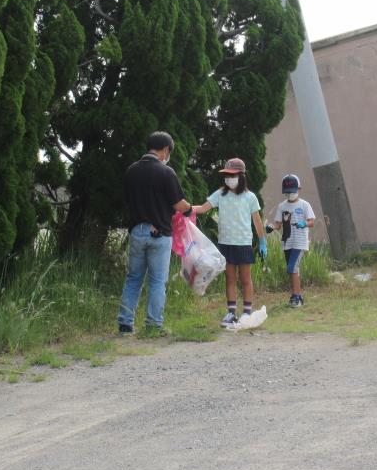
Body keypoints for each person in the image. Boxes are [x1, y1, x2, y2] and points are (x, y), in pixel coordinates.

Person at [118, 132, 192, 335]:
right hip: (160, 234)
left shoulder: (131, 171)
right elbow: (179, 204)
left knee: (133, 278)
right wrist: (190, 209)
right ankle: (153, 325)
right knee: (158, 281)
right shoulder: (166, 172)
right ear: (166, 149)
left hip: (136, 231)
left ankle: (125, 324)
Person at [193, 158, 267, 327]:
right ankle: (231, 313)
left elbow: (257, 221)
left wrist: (262, 241)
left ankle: (246, 312)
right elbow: (204, 208)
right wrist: (185, 209)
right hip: (225, 243)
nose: (229, 178)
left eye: (232, 175)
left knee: (246, 279)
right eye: (226, 175)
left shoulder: (250, 197)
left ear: (241, 176)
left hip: (243, 244)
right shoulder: (220, 194)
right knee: (230, 279)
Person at [272, 174, 316, 307]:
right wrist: (270, 227)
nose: (290, 194)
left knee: (292, 267)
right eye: (287, 192)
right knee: (292, 270)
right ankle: (296, 295)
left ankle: (296, 297)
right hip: (287, 242)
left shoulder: (304, 205)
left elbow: (311, 221)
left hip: (300, 242)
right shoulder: (282, 206)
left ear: (299, 189)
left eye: (293, 191)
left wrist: (304, 224)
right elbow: (278, 224)